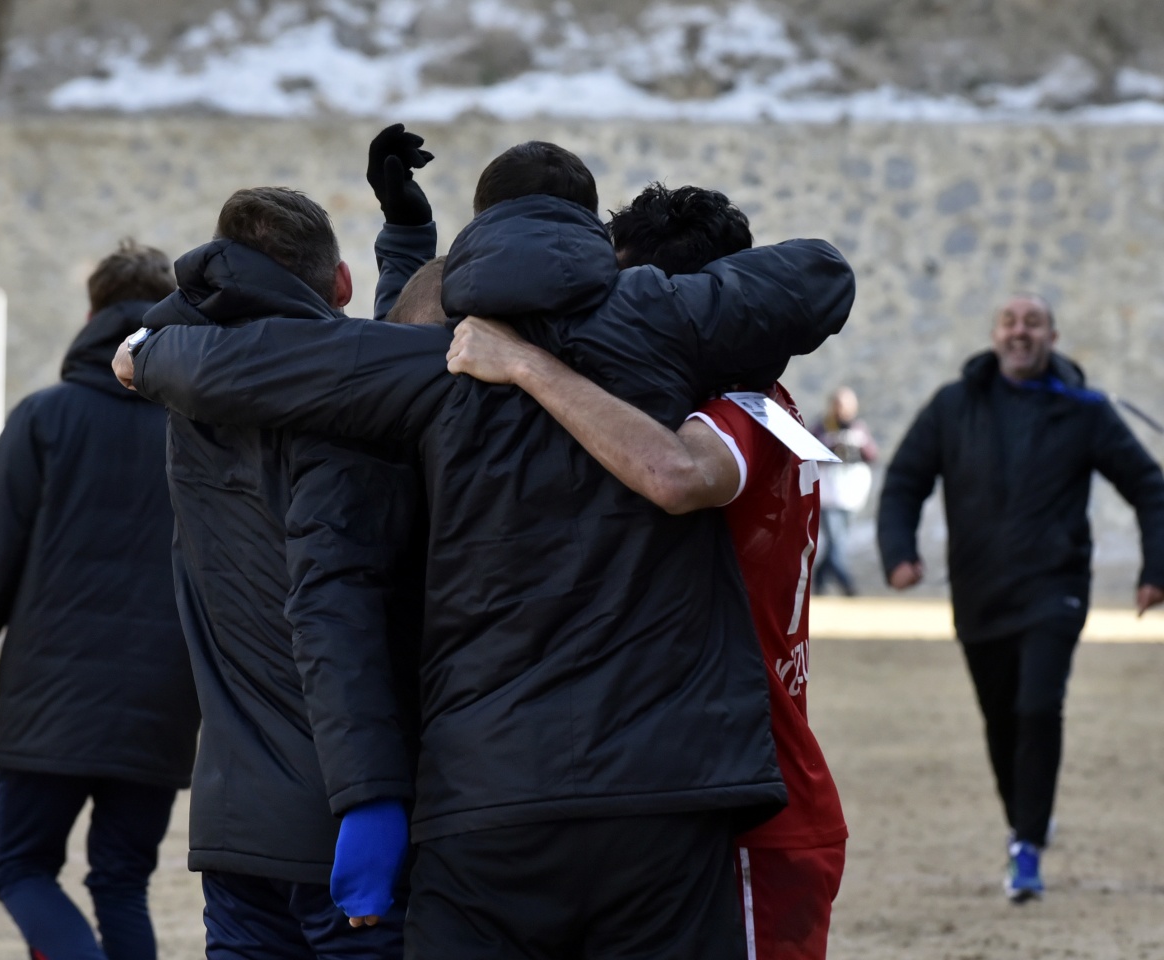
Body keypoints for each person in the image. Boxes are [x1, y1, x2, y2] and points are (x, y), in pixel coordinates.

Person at [116, 138, 855, 958]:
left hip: (482, 793)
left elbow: (309, 361)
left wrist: (155, 350)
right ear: (590, 241)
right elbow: (821, 270)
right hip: (668, 790)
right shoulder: (665, 327)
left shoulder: (443, 363)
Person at [445, 183, 848, 960]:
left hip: (758, 803)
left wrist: (529, 365)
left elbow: (676, 475)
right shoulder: (761, 399)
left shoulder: (743, 407)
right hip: (727, 777)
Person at [119, 183, 428, 958]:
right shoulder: (337, 419)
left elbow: (337, 359)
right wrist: (371, 799)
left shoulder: (190, 395)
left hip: (233, 818)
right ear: (341, 283)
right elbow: (335, 619)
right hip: (343, 816)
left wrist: (408, 246)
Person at [0, 240, 199, 960]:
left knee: (23, 871)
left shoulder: (45, 417)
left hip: (48, 699)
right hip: (163, 702)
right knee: (123, 882)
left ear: (90, 313)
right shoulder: (202, 427)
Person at [877, 292, 1164, 903]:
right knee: (1001, 720)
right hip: (980, 592)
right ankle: (1023, 823)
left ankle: (1026, 847)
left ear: (1052, 337)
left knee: (1038, 707)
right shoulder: (954, 406)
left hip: (1055, 588)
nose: (1020, 332)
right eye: (1010, 322)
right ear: (994, 334)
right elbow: (904, 480)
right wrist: (898, 553)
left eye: (1033, 323)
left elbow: (1148, 485)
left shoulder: (1084, 410)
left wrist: (1156, 568)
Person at [811, 387, 878, 596]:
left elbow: (872, 455)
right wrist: (830, 446)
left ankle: (818, 585)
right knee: (835, 543)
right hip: (828, 495)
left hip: (851, 495)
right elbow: (809, 453)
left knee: (837, 543)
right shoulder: (822, 428)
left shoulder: (858, 428)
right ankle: (849, 587)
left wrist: (857, 443)